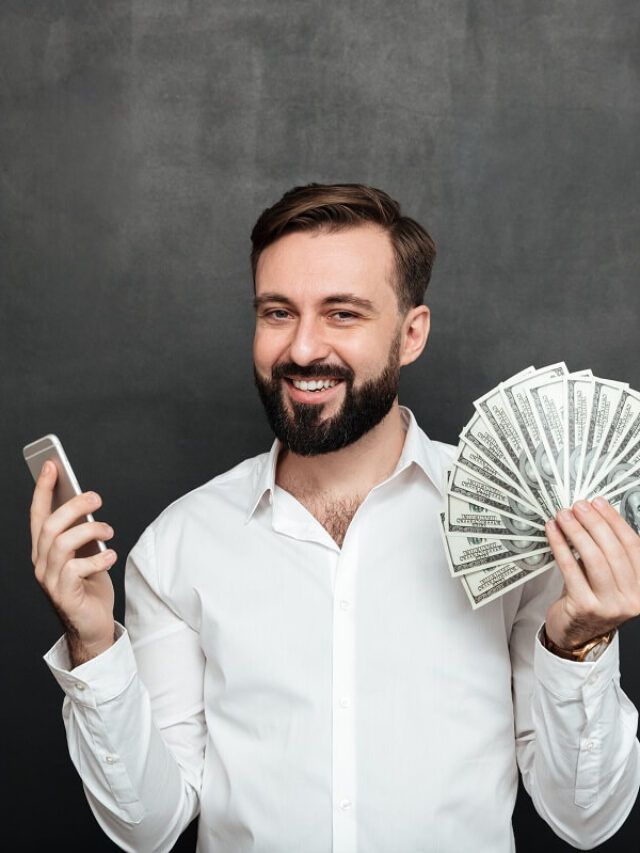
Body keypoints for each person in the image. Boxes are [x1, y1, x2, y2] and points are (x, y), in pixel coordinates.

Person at [31, 184, 640, 852]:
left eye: (342, 314)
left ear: (411, 334)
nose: (301, 348)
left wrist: (579, 641)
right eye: (277, 312)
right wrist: (93, 645)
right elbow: (147, 825)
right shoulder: (181, 543)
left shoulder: (521, 529)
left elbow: (585, 818)